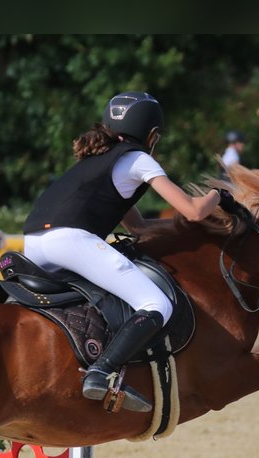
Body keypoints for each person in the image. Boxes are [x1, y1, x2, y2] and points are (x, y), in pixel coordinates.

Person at [22, 91, 222, 412]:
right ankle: (101, 371)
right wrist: (220, 194)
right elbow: (195, 211)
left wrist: (184, 232)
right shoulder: (139, 159)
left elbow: (140, 228)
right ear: (152, 135)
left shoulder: (96, 160)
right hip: (71, 240)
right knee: (156, 303)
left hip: (33, 242)